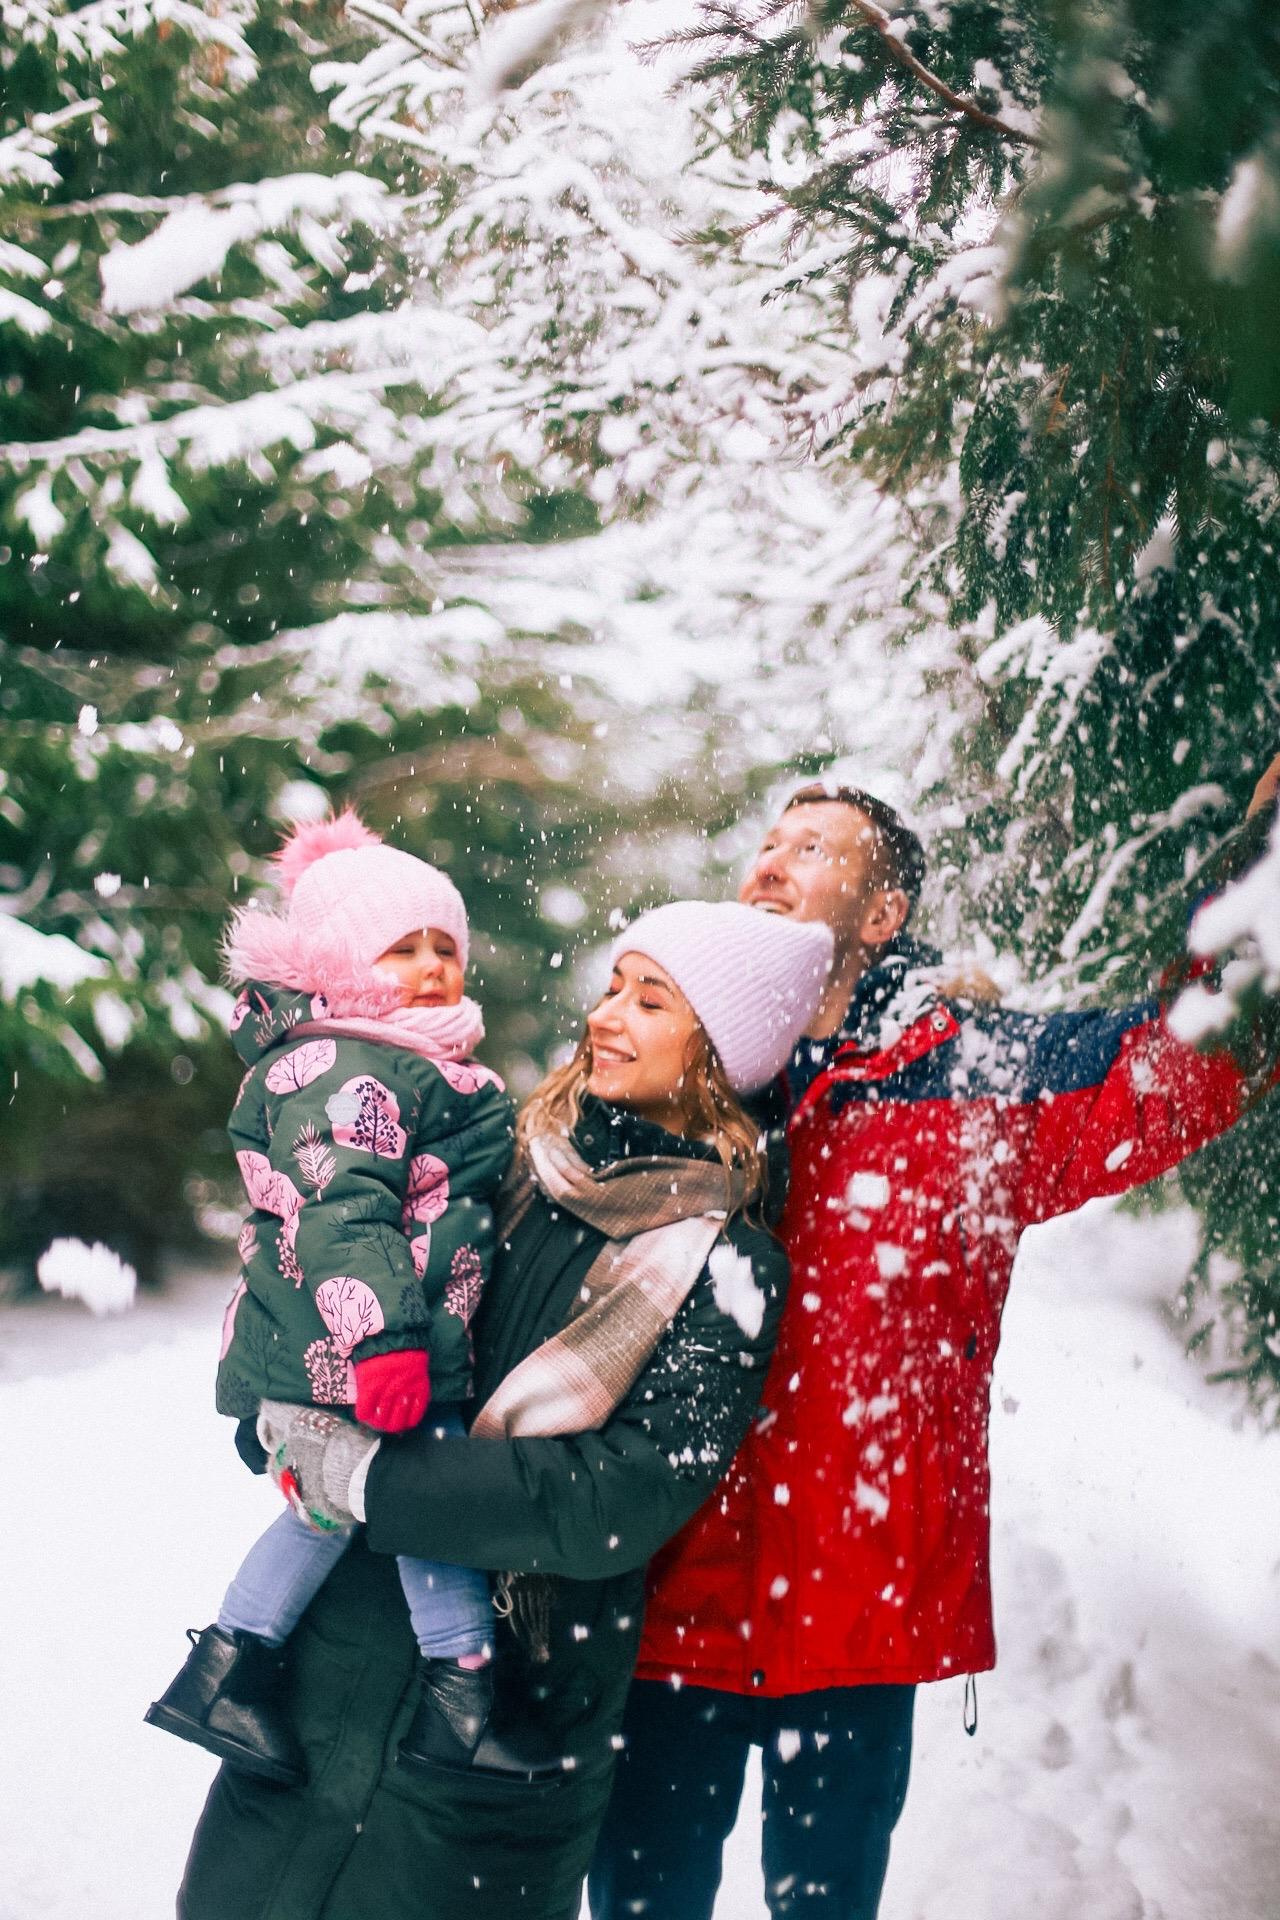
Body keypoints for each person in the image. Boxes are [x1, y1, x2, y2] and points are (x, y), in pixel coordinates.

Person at [589, 760, 1280, 1920]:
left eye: (813, 846)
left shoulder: (970, 1081)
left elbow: (1191, 1063)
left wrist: (1264, 861)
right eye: (768, 839)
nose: (772, 859)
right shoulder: (671, 1072)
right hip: (666, 1601)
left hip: (855, 1611)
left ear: (881, 914)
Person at [173, 897, 834, 1920]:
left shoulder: (726, 1266)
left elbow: (608, 1499)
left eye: (651, 1000)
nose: (607, 1015)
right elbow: (329, 1260)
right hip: (333, 1664)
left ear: (716, 1051)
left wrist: (368, 1476)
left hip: (504, 1701)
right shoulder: (507, 1161)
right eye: (614, 985)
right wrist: (280, 1409)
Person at [146, 808, 533, 1783]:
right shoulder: (356, 1063)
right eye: (402, 948)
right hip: (368, 1350)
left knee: (328, 1513)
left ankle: (226, 1670)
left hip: (353, 1345)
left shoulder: (397, 1058)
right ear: (345, 964)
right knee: (418, 1501)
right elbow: (338, 1215)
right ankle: (460, 1699)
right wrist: (385, 1346)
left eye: (446, 946)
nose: (433, 964)